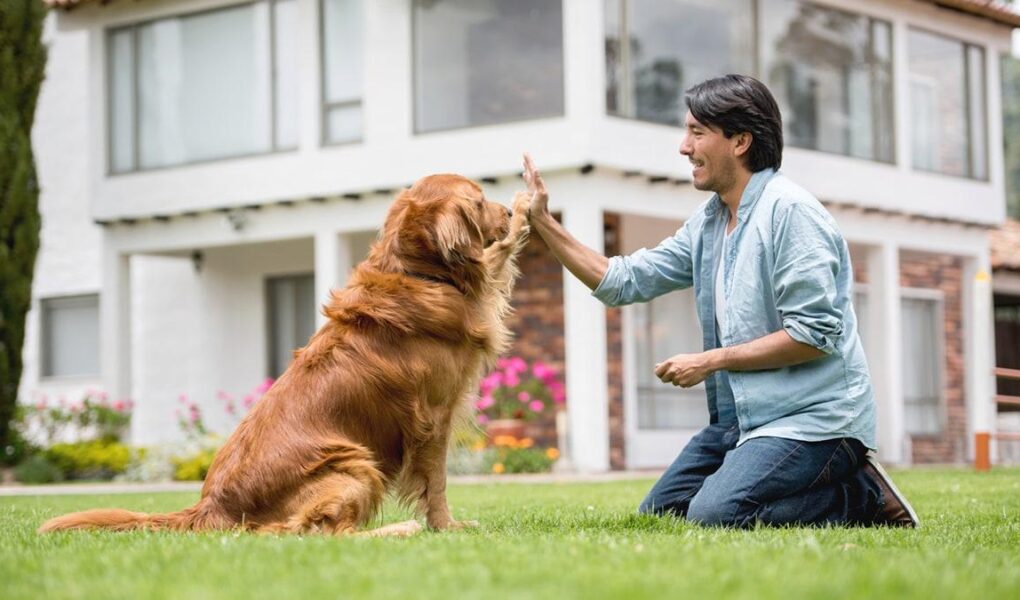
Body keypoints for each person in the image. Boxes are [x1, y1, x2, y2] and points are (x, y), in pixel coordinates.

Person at [523, 74, 918, 528]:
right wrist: (544, 223)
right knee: (662, 515)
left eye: (696, 132)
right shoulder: (709, 223)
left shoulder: (791, 214)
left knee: (716, 515)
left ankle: (860, 496)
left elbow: (814, 336)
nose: (683, 147)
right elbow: (624, 281)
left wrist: (711, 360)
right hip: (741, 422)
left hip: (815, 422)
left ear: (740, 141)